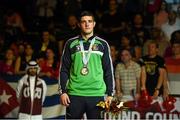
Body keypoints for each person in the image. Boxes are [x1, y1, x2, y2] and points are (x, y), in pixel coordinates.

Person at [59, 11, 114, 119]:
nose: (87, 24)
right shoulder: (71, 43)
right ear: (79, 24)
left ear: (94, 24)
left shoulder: (102, 44)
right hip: (74, 94)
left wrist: (110, 94)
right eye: (84, 22)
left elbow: (108, 70)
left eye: (90, 21)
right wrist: (63, 92)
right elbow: (64, 69)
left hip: (96, 94)